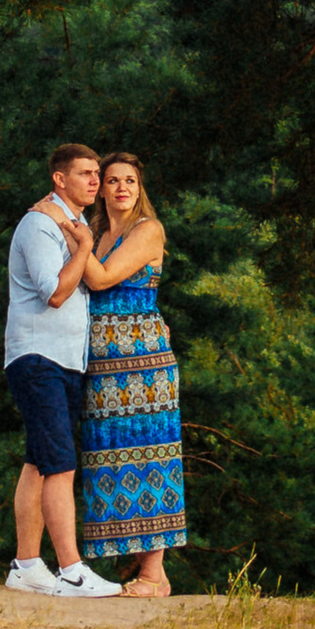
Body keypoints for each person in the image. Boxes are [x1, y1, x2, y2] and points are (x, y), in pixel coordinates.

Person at [3, 139, 121, 598]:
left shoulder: (70, 224)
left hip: (65, 360)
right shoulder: (38, 224)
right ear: (59, 178)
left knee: (38, 462)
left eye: (96, 173)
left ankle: (26, 566)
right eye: (85, 173)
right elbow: (54, 292)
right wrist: (85, 246)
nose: (95, 181)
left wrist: (81, 239)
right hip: (39, 357)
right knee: (60, 464)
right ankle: (72, 570)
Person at [77, 150, 186, 598]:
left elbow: (101, 279)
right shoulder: (97, 232)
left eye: (130, 181)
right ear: (101, 189)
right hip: (102, 368)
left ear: (140, 189)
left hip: (144, 365)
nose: (122, 187)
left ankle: (153, 574)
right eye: (113, 180)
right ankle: (151, 575)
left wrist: (72, 237)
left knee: (150, 456)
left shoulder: (147, 229)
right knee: (112, 459)